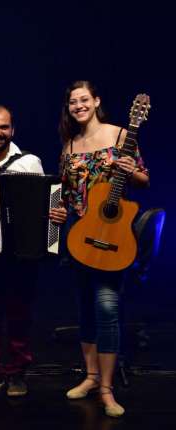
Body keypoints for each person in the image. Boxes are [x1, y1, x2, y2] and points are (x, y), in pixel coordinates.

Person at [0, 105, 66, 397]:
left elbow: (48, 202)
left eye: (3, 127)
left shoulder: (30, 162)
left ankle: (17, 372)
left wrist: (56, 216)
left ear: (12, 130)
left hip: (24, 253)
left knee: (20, 314)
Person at [59, 80, 149, 417]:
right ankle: (91, 376)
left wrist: (132, 171)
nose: (79, 106)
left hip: (113, 237)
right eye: (73, 102)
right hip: (79, 237)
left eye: (84, 99)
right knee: (85, 307)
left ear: (96, 101)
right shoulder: (69, 145)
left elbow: (144, 180)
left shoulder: (121, 136)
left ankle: (107, 389)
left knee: (107, 308)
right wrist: (57, 211)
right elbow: (63, 192)